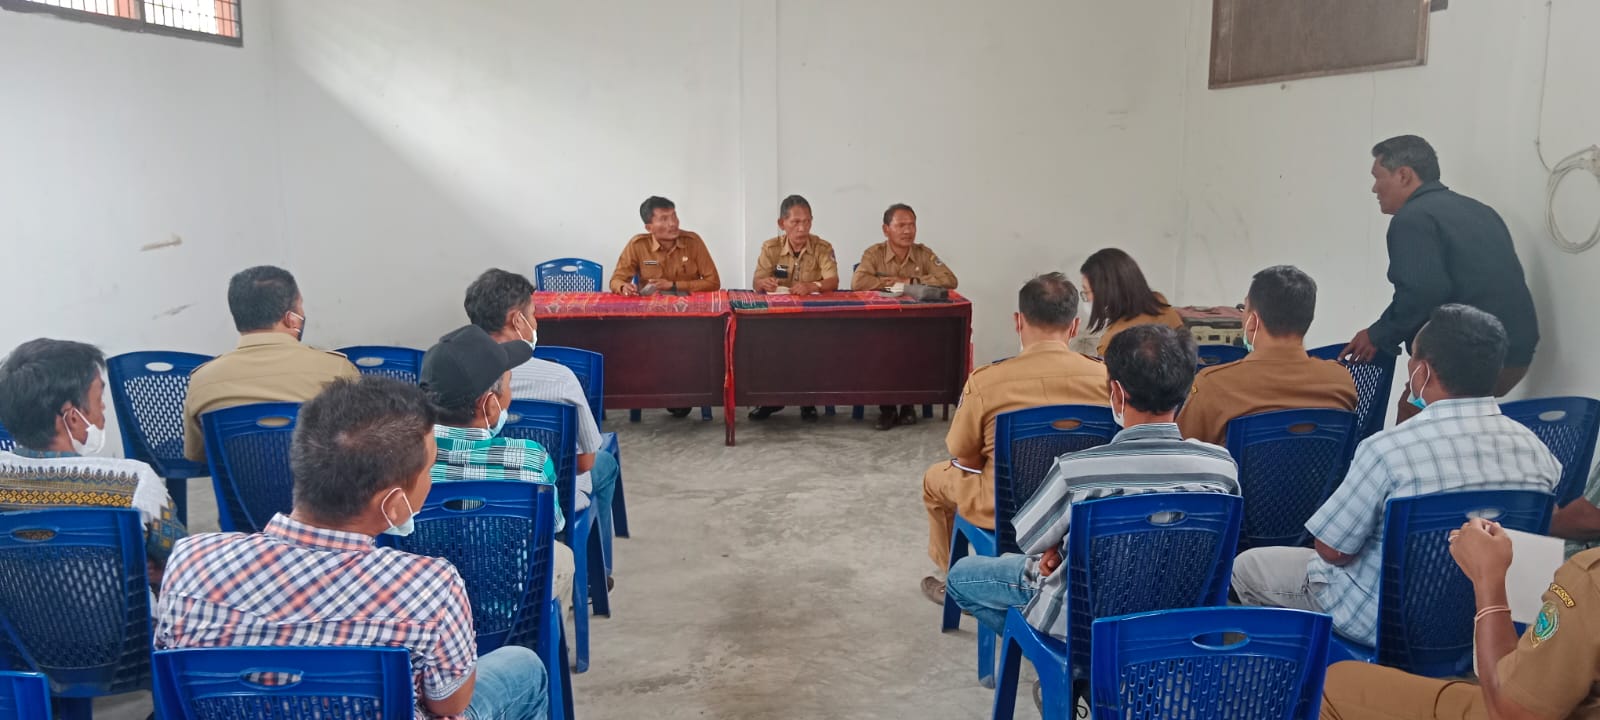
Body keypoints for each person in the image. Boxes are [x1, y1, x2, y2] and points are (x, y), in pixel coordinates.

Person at [156, 376, 549, 720]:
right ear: (394, 504)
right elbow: (449, 703)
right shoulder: (430, 586)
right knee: (524, 667)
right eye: (428, 469)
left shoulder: (191, 562)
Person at [1232, 304, 1561, 647]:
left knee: (1248, 567)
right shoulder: (1538, 452)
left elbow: (1331, 550)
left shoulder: (1389, 450)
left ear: (1423, 372)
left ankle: (1302, 670)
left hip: (1384, 622)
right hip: (1485, 622)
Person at [920, 273, 1110, 605]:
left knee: (935, 479)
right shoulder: (1106, 378)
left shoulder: (987, 381)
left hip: (1005, 511)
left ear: (1018, 322)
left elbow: (964, 455)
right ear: (1075, 326)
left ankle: (956, 581)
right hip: (1079, 511)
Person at [1340, 135, 1540, 424]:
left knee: (1410, 429)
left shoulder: (1413, 218)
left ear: (1404, 175)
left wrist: (1377, 335)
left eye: (1377, 177)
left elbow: (1422, 292)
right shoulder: (1481, 211)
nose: (1374, 188)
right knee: (1464, 425)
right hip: (1515, 357)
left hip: (1465, 361)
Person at [1319, 518, 1600, 719]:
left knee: (1335, 684)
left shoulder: (1589, 580)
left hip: (1516, 709)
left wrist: (1487, 578)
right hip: (1545, 695)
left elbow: (1330, 549)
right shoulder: (1541, 459)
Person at [464, 268, 620, 577]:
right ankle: (595, 574)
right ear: (516, 320)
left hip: (473, 501)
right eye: (533, 314)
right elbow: (584, 462)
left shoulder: (452, 372)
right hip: (549, 497)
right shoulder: (558, 378)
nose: (537, 323)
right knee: (604, 464)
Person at [0, 339, 187, 583]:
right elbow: (182, 560)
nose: (103, 407)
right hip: (127, 621)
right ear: (73, 418)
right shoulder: (132, 483)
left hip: (21, 619)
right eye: (98, 397)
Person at [420, 324, 577, 611]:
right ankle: (547, 646)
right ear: (490, 405)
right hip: (510, 610)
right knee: (563, 556)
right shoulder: (530, 458)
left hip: (430, 610)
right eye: (508, 386)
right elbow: (553, 527)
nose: (510, 394)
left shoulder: (401, 465)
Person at [183, 265, 358, 463]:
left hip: (241, 494)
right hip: (322, 493)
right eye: (300, 305)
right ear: (290, 316)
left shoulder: (202, 382)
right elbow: (360, 445)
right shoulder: (336, 370)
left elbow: (199, 455)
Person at [1177, 265, 1357, 446]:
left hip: (1235, 475)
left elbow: (1179, 451)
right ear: (1308, 319)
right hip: (1321, 475)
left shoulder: (1213, 385)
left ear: (1253, 321)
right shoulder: (1341, 382)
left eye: (1244, 308)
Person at [853, 203, 961, 429]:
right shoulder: (874, 253)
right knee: (881, 349)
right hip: (881, 325)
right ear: (886, 229)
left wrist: (908, 283)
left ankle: (908, 405)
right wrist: (889, 284)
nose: (907, 231)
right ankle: (888, 408)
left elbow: (950, 279)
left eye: (911, 225)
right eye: (901, 225)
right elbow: (858, 282)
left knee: (917, 347)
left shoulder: (923, 254)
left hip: (916, 325)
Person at [750, 194, 840, 422]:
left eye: (807, 222)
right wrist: (764, 283)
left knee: (810, 348)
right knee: (768, 347)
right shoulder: (771, 248)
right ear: (782, 224)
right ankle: (772, 400)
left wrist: (813, 285)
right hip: (778, 318)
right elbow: (757, 281)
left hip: (813, 318)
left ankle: (808, 401)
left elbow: (833, 281)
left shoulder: (822, 247)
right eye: (796, 222)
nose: (802, 228)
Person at [1079, 248, 1185, 358]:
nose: (1087, 298)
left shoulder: (1114, 342)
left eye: (1087, 291)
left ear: (1108, 291)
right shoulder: (1159, 303)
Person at [609, 195, 721, 296]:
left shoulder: (693, 242)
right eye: (664, 219)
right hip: (651, 309)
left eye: (674, 216)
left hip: (689, 308)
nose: (673, 223)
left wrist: (673, 285)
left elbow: (713, 282)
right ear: (649, 228)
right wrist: (624, 287)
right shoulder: (638, 245)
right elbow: (616, 280)